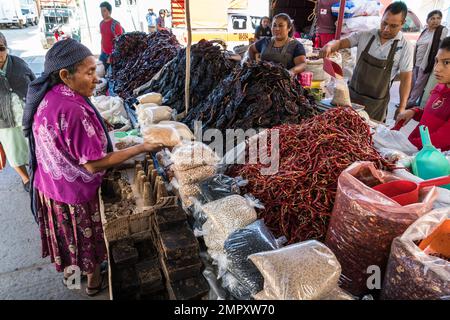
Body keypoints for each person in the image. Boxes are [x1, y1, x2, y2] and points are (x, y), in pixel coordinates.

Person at [22, 39, 164, 297]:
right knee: (83, 240)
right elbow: (93, 164)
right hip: (73, 194)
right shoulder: (73, 109)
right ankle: (94, 281)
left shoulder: (50, 96)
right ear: (65, 75)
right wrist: (141, 148)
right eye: (89, 73)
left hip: (51, 186)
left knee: (68, 241)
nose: (96, 79)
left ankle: (72, 277)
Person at [320, 1, 414, 122]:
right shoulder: (366, 35)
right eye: (384, 23)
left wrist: (402, 107)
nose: (386, 29)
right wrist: (330, 46)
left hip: (377, 105)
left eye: (393, 26)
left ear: (403, 24)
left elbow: (406, 79)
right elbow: (341, 43)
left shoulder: (405, 46)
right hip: (352, 97)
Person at [396, 37, 450, 152]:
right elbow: (432, 114)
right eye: (437, 61)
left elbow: (442, 138)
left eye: (446, 62)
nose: (437, 68)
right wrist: (414, 112)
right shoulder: (440, 87)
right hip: (415, 151)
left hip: (431, 161)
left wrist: (405, 146)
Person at [0, 32, 34, 192]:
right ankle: (25, 178)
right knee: (14, 151)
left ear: (6, 48)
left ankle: (36, 173)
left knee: (33, 147)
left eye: (0, 48)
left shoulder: (19, 63)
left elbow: (34, 84)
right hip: (5, 121)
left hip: (28, 115)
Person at [407, 10, 448, 108]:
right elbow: (418, 45)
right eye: (433, 18)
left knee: (419, 84)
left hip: (426, 63)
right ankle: (407, 100)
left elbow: (441, 47)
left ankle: (410, 103)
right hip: (416, 62)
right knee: (412, 83)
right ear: (427, 20)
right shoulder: (425, 31)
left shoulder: (441, 31)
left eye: (438, 18)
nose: (436, 21)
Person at [99, 1, 124, 71]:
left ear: (109, 11)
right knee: (100, 74)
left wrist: (111, 56)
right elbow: (103, 39)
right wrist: (101, 51)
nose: (102, 13)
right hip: (103, 54)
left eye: (104, 11)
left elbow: (120, 43)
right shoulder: (101, 23)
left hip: (112, 56)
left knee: (111, 77)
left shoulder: (115, 25)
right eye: (101, 11)